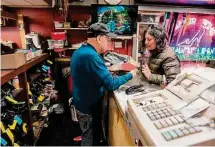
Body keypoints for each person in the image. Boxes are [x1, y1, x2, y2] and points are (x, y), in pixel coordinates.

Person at [70, 23, 138, 146]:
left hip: (82, 101)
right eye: (107, 39)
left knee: (90, 133)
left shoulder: (82, 50)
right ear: (99, 38)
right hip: (87, 108)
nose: (108, 43)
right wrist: (131, 74)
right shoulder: (90, 56)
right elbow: (110, 84)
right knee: (88, 137)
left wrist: (109, 72)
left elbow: (92, 74)